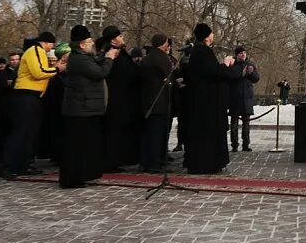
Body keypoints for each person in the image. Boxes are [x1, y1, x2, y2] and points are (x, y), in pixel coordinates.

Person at [59, 25, 119, 188]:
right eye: (89, 41)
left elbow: (96, 61)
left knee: (85, 146)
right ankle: (72, 179)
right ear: (81, 44)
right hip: (80, 108)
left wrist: (105, 53)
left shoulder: (83, 56)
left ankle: (82, 175)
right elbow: (100, 72)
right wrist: (110, 58)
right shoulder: (78, 59)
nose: (92, 43)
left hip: (85, 107)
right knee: (76, 147)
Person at [0, 32, 63, 180]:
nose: (52, 47)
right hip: (25, 95)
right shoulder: (35, 51)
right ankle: (6, 166)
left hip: (34, 97)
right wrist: (57, 69)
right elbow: (38, 72)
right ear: (46, 42)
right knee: (20, 132)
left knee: (30, 133)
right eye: (51, 43)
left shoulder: (39, 52)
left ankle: (23, 164)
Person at [182, 24, 240, 174]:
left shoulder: (200, 51)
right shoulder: (202, 52)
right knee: (207, 134)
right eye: (211, 33)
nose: (213, 35)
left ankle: (210, 162)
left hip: (204, 100)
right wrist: (226, 64)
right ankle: (207, 163)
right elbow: (213, 73)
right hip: (206, 102)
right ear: (207, 36)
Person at [99, 26, 140, 173]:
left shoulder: (120, 53)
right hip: (116, 98)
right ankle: (110, 162)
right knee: (113, 131)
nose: (123, 38)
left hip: (123, 97)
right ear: (113, 39)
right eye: (120, 36)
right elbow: (123, 73)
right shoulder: (112, 53)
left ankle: (116, 160)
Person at [139, 33, 174, 173]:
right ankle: (155, 163)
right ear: (163, 44)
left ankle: (145, 162)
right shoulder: (161, 58)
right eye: (167, 43)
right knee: (157, 134)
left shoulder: (148, 58)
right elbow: (168, 76)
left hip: (147, 101)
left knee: (148, 134)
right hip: (159, 102)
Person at [0, 51, 20, 164]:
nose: (15, 62)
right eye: (12, 60)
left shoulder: (22, 71)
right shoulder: (1, 73)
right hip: (4, 107)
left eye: (17, 59)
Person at [228, 47, 261, 152]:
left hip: (247, 97)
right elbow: (229, 77)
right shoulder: (232, 65)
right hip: (235, 97)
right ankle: (234, 144)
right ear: (237, 55)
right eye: (241, 53)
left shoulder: (250, 64)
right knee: (234, 122)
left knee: (246, 123)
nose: (243, 55)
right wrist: (241, 74)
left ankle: (246, 144)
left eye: (244, 53)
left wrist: (251, 73)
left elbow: (256, 78)